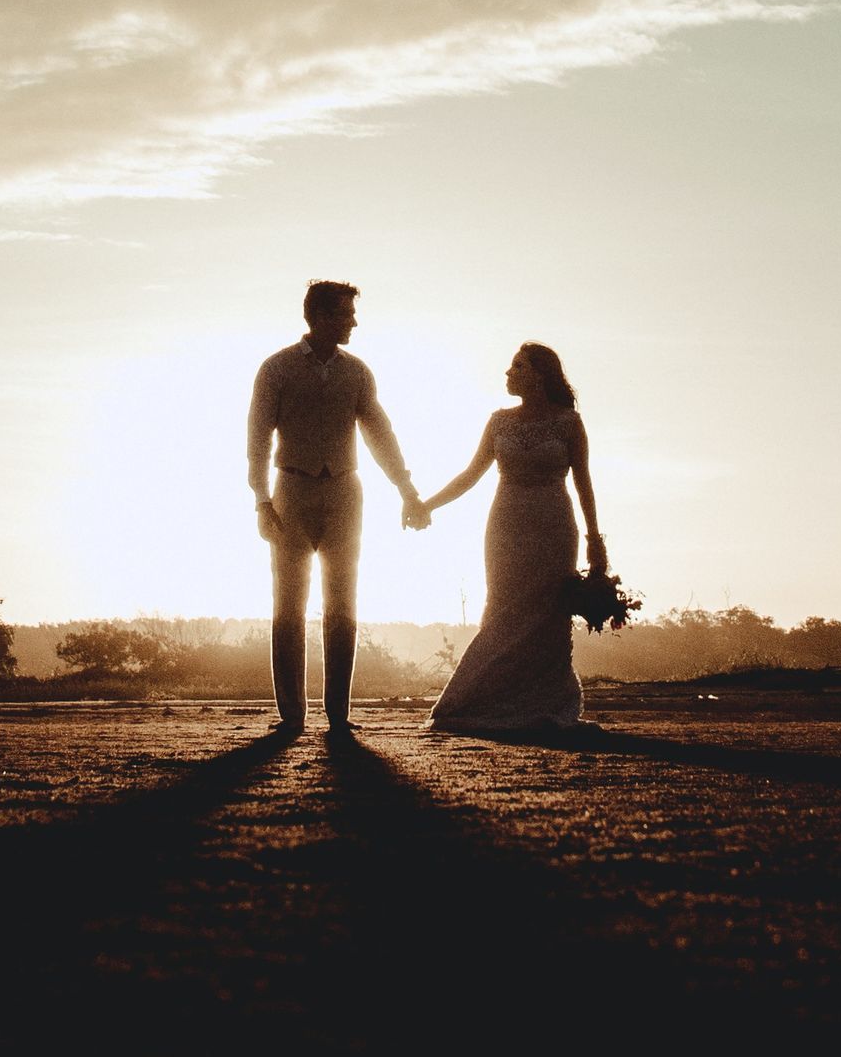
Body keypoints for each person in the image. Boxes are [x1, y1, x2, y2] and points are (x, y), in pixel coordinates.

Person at [247, 280, 428, 734]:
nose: (354, 321)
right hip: (291, 491)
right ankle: (291, 714)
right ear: (321, 316)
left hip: (345, 493)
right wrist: (262, 500)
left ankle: (338, 714)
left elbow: (379, 432)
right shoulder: (277, 369)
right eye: (346, 313)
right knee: (288, 604)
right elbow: (257, 439)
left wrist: (406, 488)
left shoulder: (357, 372)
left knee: (342, 601)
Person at [420, 341, 603, 738]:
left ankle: (547, 700)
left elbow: (584, 483)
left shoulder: (569, 422)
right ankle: (480, 698)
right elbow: (470, 475)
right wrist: (427, 505)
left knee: (547, 614)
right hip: (506, 525)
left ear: (538, 375)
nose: (507, 373)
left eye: (516, 367)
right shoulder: (499, 421)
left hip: (554, 526)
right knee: (503, 609)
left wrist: (594, 539)